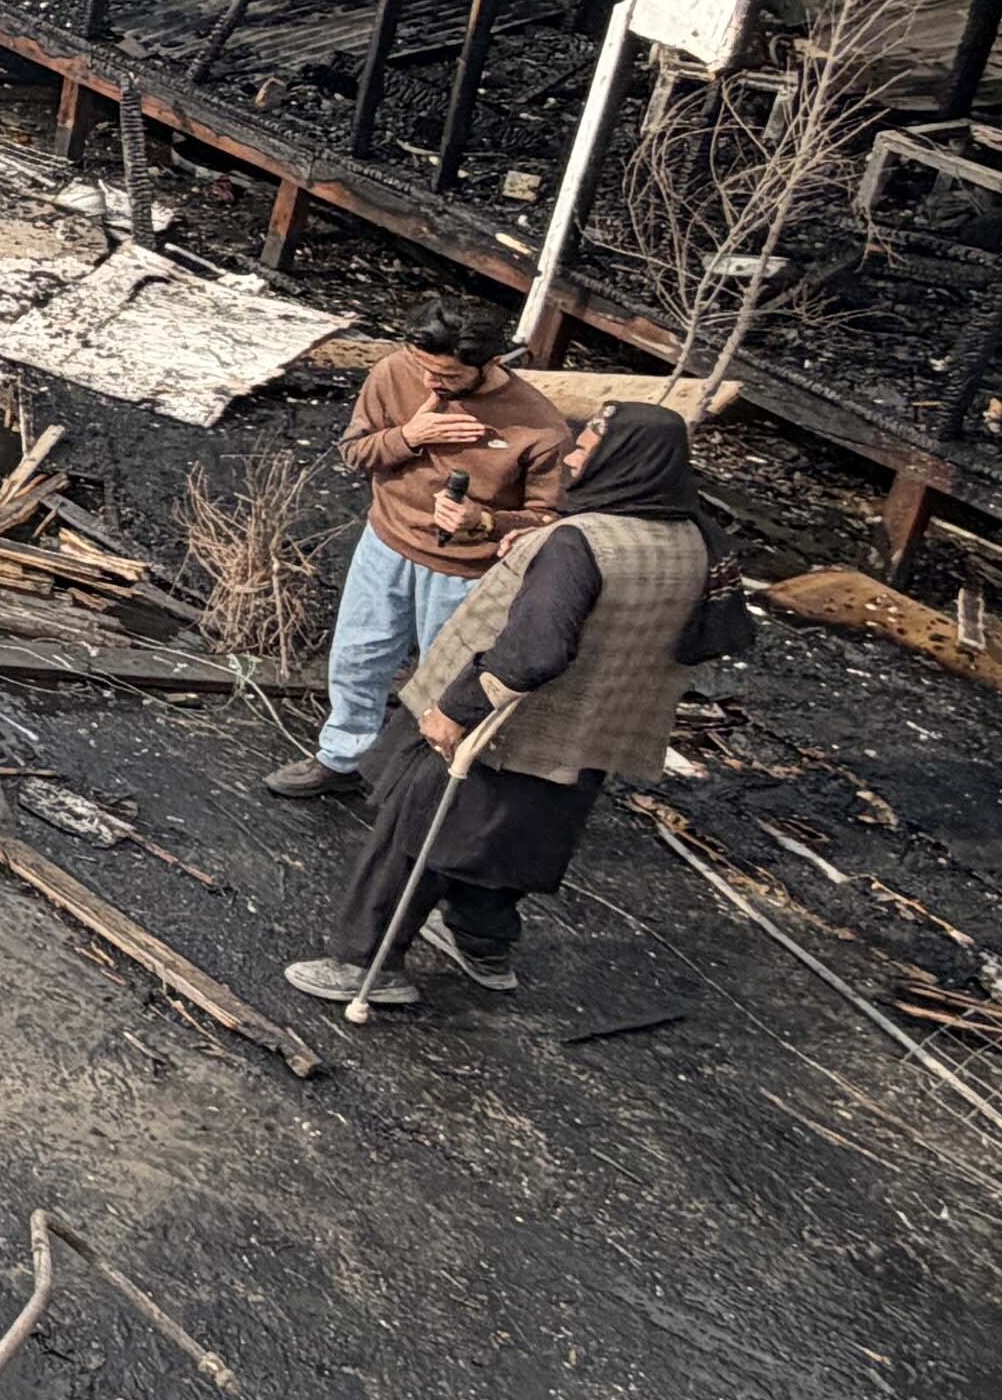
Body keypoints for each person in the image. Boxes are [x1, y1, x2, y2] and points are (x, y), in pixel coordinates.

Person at [286, 401, 749, 1009]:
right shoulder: (695, 540)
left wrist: (457, 709)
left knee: (413, 834)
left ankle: (365, 963)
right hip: (591, 733)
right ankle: (485, 949)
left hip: (502, 727)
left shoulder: (578, 544)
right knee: (508, 842)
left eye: (591, 446)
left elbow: (535, 650)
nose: (576, 456)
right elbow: (719, 635)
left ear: (625, 459)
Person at [266, 304, 580, 806]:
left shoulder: (541, 427)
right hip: (386, 542)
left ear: (491, 363)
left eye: (448, 375)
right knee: (358, 656)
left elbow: (550, 521)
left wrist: (486, 521)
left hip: (468, 573)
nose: (433, 383)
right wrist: (409, 437)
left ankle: (423, 783)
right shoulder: (395, 371)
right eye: (425, 368)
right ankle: (341, 756)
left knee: (446, 681)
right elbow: (354, 452)